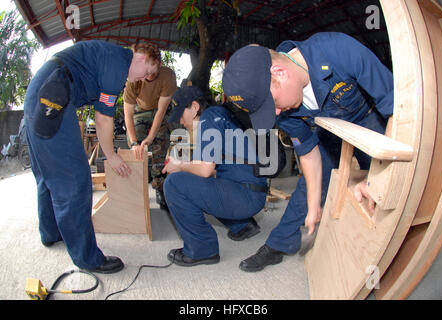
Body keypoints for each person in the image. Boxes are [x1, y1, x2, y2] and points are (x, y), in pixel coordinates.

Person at [222, 32, 393, 272]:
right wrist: (314, 207)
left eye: (274, 104)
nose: (278, 113)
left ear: (279, 74)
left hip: (372, 120)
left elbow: (398, 108)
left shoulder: (338, 51)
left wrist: (379, 176)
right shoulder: (286, 106)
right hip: (328, 133)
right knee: (307, 192)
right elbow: (307, 150)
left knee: (392, 191)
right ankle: (279, 245)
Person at [24, 39, 158, 274]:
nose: (141, 79)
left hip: (40, 92)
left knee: (48, 173)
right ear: (139, 58)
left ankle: (52, 233)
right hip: (54, 96)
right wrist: (111, 157)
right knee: (75, 180)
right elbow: (103, 119)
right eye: (146, 72)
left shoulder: (109, 57)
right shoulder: (119, 63)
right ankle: (88, 258)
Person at [162, 86, 268, 266]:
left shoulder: (209, 119)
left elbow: (204, 170)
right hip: (252, 192)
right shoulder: (219, 115)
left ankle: (202, 250)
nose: (180, 121)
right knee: (197, 182)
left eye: (181, 114)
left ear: (195, 107)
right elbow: (210, 171)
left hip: (246, 196)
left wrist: (179, 166)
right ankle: (242, 226)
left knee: (173, 184)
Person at [123, 43, 177, 210]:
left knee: (159, 144)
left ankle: (160, 187)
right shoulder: (133, 79)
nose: (146, 75)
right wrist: (134, 142)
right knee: (136, 148)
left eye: (150, 70)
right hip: (139, 111)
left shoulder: (168, 76)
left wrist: (150, 137)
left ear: (158, 63)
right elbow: (128, 115)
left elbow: (160, 112)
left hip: (160, 110)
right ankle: (137, 188)